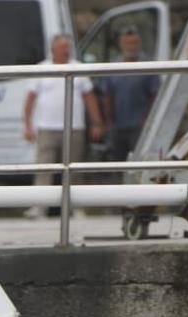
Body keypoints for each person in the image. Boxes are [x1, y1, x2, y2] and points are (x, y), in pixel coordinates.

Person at [21, 34, 104, 211]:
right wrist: (27, 125)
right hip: (47, 128)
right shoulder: (42, 68)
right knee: (44, 169)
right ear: (53, 49)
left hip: (74, 128)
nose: (66, 50)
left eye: (68, 47)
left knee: (73, 170)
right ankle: (39, 207)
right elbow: (30, 99)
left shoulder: (78, 68)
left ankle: (76, 208)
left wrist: (97, 123)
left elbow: (89, 97)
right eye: (62, 47)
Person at [97, 26, 160, 163]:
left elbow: (155, 95)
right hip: (117, 125)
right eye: (128, 43)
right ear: (121, 44)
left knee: (138, 160)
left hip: (139, 125)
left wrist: (149, 119)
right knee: (117, 160)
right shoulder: (112, 67)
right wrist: (107, 121)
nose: (131, 47)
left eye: (134, 43)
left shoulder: (148, 66)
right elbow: (106, 95)